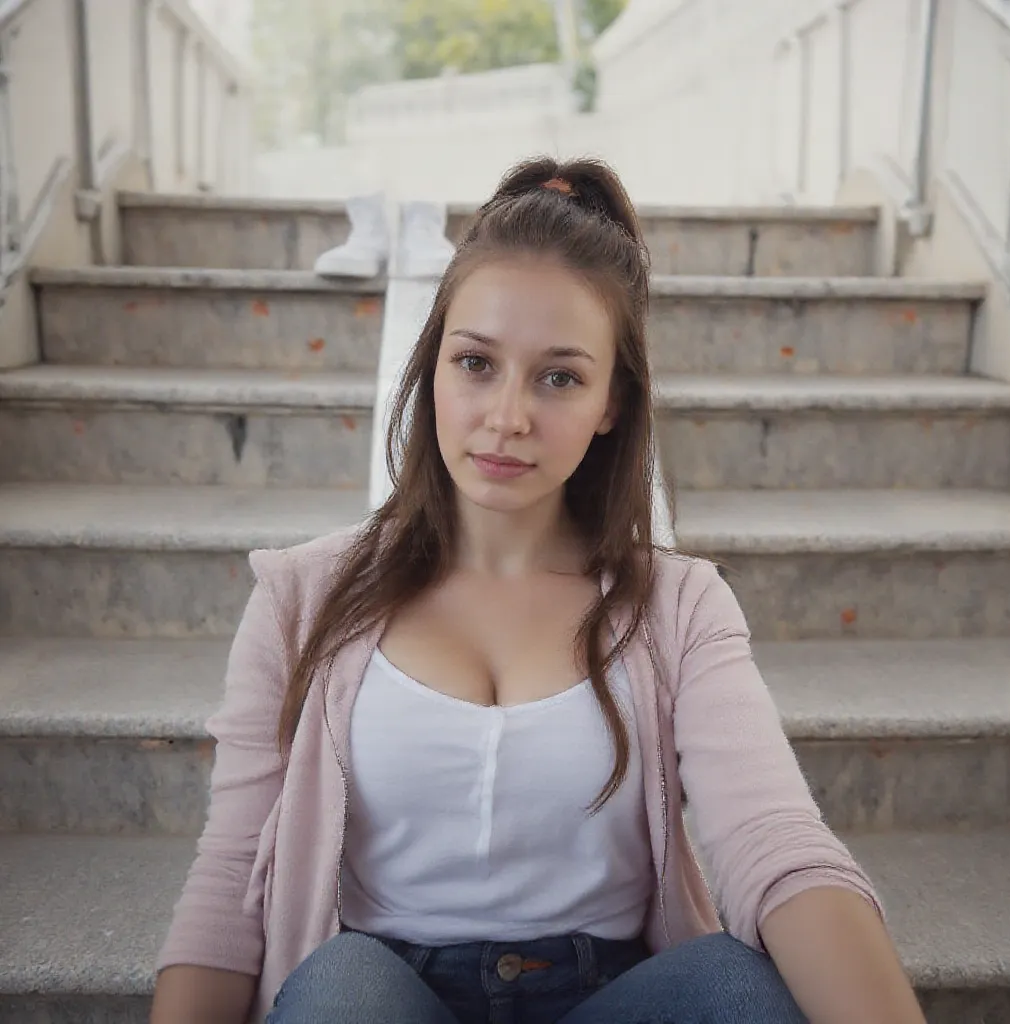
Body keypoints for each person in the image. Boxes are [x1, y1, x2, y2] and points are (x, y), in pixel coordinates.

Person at [150, 157, 927, 1024]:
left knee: (736, 989)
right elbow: (230, 880)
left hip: (616, 993)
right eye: (477, 363)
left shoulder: (681, 606)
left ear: (610, 403)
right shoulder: (301, 596)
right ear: (434, 365)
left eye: (559, 376)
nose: (508, 415)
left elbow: (775, 843)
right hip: (383, 992)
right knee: (338, 997)